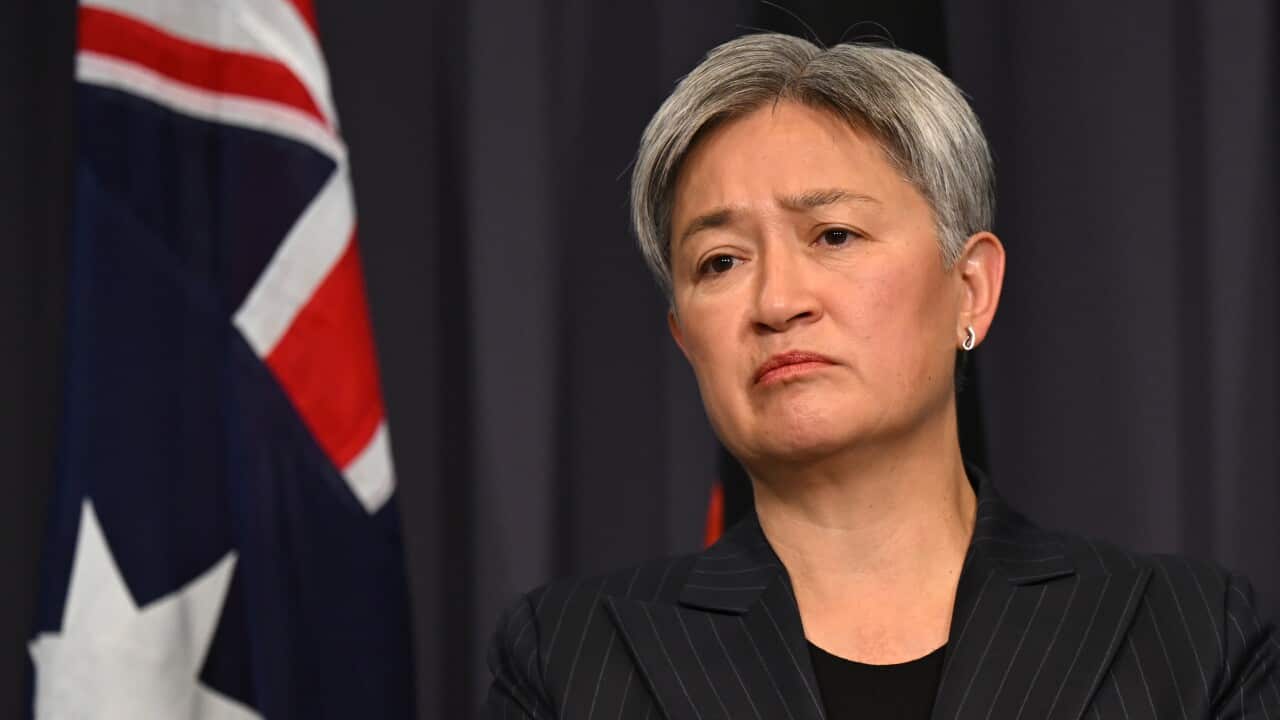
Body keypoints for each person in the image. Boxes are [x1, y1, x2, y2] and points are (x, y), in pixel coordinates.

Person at [484, 33, 1279, 719]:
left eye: (832, 235)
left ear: (970, 290)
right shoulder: (570, 659)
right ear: (686, 338)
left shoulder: (1192, 637)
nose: (777, 301)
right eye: (720, 261)